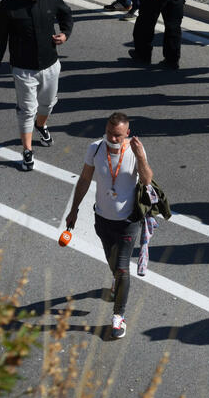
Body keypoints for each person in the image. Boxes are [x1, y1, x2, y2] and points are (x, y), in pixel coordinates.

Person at [65, 112, 154, 340]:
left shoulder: (135, 150)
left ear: (127, 133)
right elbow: (85, 179)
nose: (112, 139)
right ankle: (117, 281)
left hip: (128, 222)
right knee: (113, 263)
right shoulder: (95, 148)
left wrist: (141, 157)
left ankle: (118, 316)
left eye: (117, 136)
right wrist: (74, 209)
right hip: (102, 219)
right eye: (109, 133)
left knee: (122, 269)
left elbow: (147, 180)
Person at [0, 0, 73, 172]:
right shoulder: (7, 7)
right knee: (26, 110)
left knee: (47, 104)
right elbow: (0, 40)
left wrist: (65, 34)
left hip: (50, 64)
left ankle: (40, 125)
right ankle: (27, 150)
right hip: (23, 69)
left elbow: (66, 14)